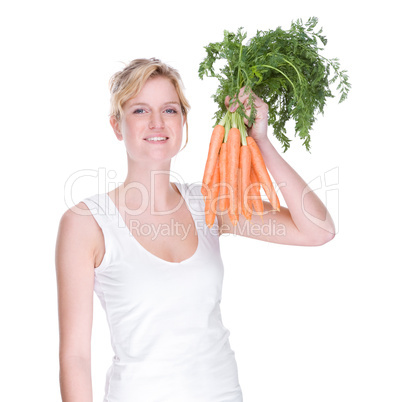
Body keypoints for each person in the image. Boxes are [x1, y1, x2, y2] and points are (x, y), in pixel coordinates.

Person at [55, 58, 335, 402]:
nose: (157, 123)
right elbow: (76, 358)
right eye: (140, 110)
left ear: (184, 121)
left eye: (170, 110)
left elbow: (317, 230)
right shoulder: (86, 222)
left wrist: (260, 140)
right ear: (117, 125)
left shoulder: (210, 201)